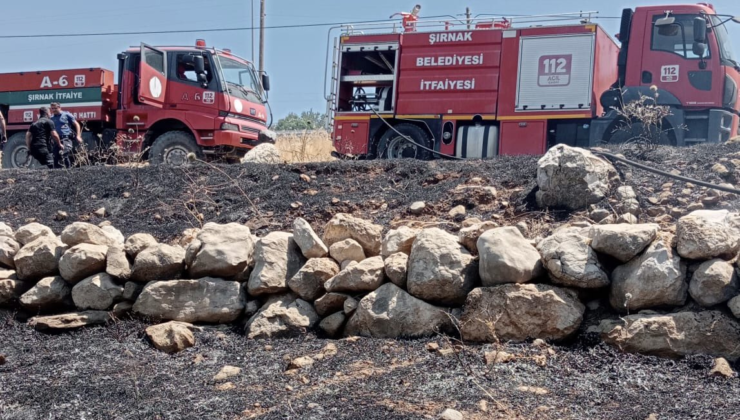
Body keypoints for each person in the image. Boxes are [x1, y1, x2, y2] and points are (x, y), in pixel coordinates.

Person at [49, 102, 83, 168]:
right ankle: (56, 172)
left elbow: (76, 124)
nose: (53, 110)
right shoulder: (51, 118)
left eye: (55, 108)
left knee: (64, 153)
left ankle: (68, 169)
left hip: (66, 138)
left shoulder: (66, 114)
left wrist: (78, 136)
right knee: (55, 156)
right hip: (56, 139)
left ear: (59, 107)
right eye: (52, 108)